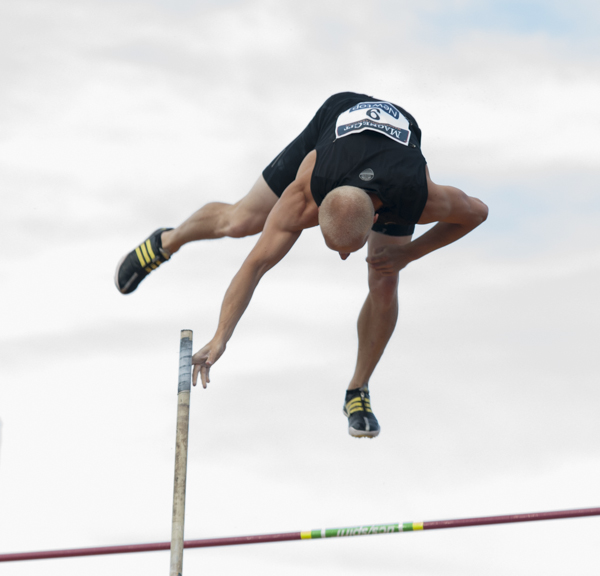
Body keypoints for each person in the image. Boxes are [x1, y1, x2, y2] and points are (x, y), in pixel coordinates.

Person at [115, 92, 488, 438]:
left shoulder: (419, 197)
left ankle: (357, 388)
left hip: (394, 162)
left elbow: (478, 213)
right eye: (334, 248)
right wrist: (221, 336)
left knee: (385, 280)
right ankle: (167, 241)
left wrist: (410, 253)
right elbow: (255, 264)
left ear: (377, 218)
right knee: (242, 222)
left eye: (347, 250)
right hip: (336, 118)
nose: (343, 257)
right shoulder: (304, 193)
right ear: (315, 214)